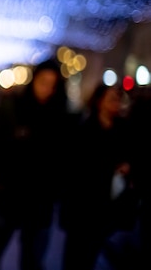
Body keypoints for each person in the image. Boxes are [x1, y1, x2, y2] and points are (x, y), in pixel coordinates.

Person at [0, 59, 71, 270]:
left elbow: (66, 159)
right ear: (34, 80)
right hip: (7, 196)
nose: (47, 89)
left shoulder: (61, 118)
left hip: (40, 203)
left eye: (53, 85)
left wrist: (55, 190)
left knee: (33, 259)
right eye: (43, 82)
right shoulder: (13, 107)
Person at [59, 84, 139, 270]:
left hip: (108, 209)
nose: (116, 104)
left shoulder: (123, 130)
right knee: (76, 257)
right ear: (99, 101)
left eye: (118, 99)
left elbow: (132, 158)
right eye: (111, 99)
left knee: (95, 255)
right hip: (83, 208)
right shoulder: (84, 129)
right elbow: (74, 170)